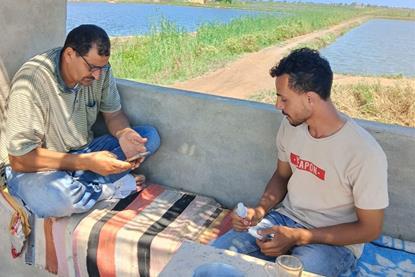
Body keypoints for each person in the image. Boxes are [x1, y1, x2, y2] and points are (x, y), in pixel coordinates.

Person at [211, 48, 388, 276]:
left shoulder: (364, 153)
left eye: (284, 99)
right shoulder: (291, 126)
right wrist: (259, 211)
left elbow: (370, 229)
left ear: (310, 99)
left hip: (334, 242)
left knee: (287, 273)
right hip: (285, 220)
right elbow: (282, 176)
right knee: (215, 256)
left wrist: (300, 237)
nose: (278, 106)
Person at [0, 25, 160, 218]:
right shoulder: (32, 82)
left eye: (101, 68)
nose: (97, 75)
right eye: (92, 67)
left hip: (82, 153)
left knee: (149, 137)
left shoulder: (100, 71)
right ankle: (107, 190)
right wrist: (87, 163)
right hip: (39, 168)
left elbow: (114, 115)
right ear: (69, 54)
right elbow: (20, 160)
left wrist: (125, 134)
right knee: (58, 199)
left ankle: (85, 186)